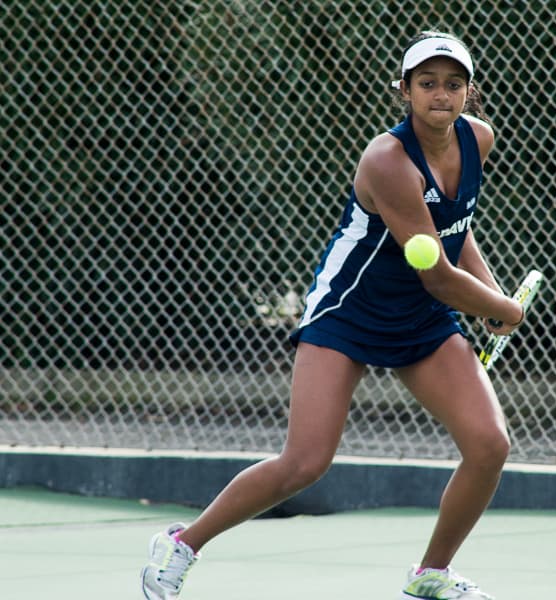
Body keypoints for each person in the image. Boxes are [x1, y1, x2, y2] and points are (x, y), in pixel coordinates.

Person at [140, 30, 525, 600]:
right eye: (427, 83)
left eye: (453, 84)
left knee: (490, 446)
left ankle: (431, 573)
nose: (441, 94)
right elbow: (439, 276)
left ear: (469, 92)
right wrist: (502, 307)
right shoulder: (388, 160)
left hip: (421, 319)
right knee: (304, 463)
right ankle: (181, 543)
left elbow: (453, 228)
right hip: (348, 312)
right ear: (404, 90)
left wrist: (490, 292)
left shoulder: (478, 139)